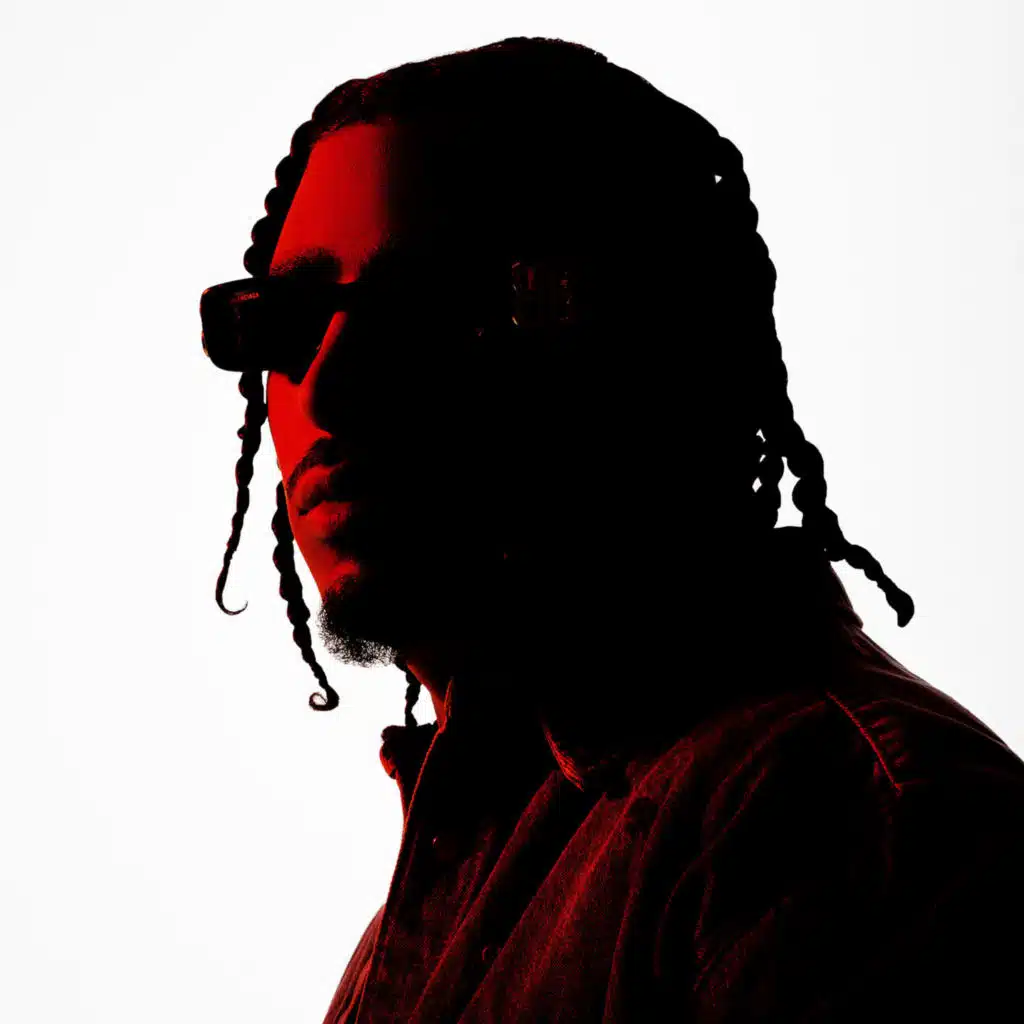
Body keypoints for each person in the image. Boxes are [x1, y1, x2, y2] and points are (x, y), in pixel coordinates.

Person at [199, 36, 1024, 1022]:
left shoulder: (853, 827)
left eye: (426, 304)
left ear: (644, 334)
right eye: (283, 322)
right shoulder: (437, 913)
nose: (326, 388)